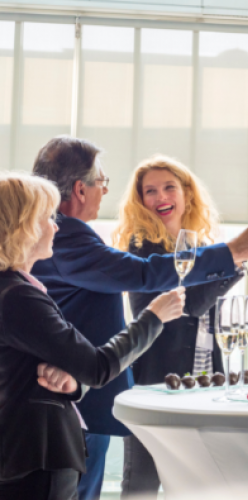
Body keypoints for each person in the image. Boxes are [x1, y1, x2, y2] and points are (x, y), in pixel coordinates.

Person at [30, 136, 248, 500]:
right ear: (81, 190)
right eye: (102, 183)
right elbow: (147, 274)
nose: (104, 191)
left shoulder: (64, 235)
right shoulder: (67, 236)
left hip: (78, 390)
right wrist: (233, 251)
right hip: (72, 394)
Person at [0, 172, 185, 500]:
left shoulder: (18, 290)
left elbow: (49, 370)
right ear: (23, 226)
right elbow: (98, 367)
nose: (57, 226)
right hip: (34, 457)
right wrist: (153, 319)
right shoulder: (18, 297)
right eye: (47, 218)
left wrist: (73, 381)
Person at [112, 156, 248, 498]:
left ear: (186, 194)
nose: (161, 197)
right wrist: (234, 262)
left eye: (169, 187)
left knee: (198, 481)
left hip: (203, 379)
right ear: (140, 200)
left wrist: (230, 260)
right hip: (156, 379)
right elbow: (187, 307)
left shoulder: (204, 250)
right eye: (150, 191)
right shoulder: (141, 251)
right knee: (142, 483)